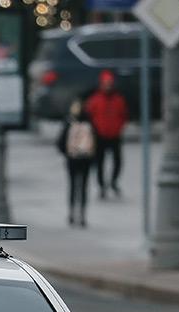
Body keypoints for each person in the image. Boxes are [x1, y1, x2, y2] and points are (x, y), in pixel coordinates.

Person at [85, 70, 128, 199]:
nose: (108, 86)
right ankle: (102, 185)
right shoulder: (95, 100)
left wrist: (119, 127)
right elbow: (89, 115)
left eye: (110, 83)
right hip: (100, 135)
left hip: (115, 135)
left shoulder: (118, 100)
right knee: (100, 162)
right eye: (106, 83)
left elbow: (123, 115)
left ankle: (113, 182)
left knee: (118, 161)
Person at [57, 99, 97, 227]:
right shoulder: (89, 121)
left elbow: (60, 142)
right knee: (84, 187)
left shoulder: (68, 122)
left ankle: (72, 214)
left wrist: (68, 153)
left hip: (72, 159)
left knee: (73, 186)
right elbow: (97, 140)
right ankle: (82, 215)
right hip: (86, 159)